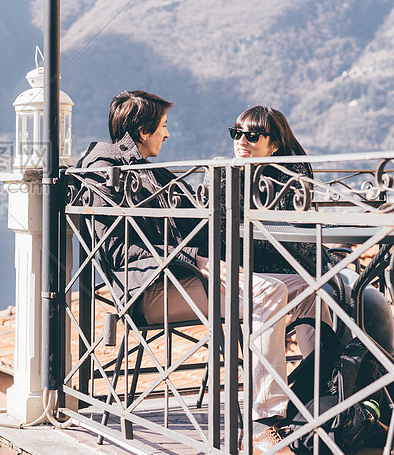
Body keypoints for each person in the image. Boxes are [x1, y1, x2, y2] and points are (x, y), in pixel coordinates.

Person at [76, 91, 293, 440]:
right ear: (144, 130)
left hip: (178, 278)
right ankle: (263, 424)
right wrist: (196, 259)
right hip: (149, 291)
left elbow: (191, 221)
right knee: (270, 293)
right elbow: (119, 252)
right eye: (163, 126)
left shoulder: (146, 172)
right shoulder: (106, 171)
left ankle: (323, 399)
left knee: (311, 289)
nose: (167, 134)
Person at [227, 105, 394, 355]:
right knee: (342, 307)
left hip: (311, 264)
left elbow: (300, 236)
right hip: (267, 274)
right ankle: (329, 384)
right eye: (236, 133)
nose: (241, 141)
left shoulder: (293, 175)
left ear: (274, 146)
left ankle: (376, 384)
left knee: (373, 302)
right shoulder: (226, 176)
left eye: (252, 136)